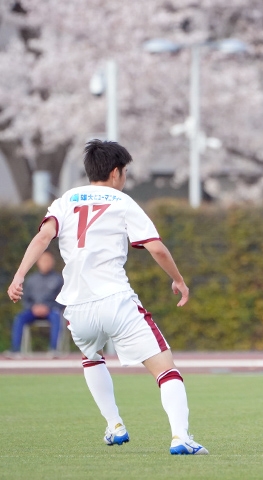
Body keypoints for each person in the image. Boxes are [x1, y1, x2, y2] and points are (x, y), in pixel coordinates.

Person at [6, 140, 208, 456]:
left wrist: (19, 275)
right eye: (125, 172)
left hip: (76, 307)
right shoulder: (122, 201)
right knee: (166, 370)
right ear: (116, 172)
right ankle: (181, 437)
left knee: (92, 357)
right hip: (115, 300)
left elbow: (43, 237)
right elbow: (155, 247)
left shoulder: (66, 199)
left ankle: (114, 425)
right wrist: (179, 280)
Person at [7, 250, 63, 356]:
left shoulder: (58, 280)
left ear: (52, 262)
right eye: (43, 260)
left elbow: (63, 300)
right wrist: (33, 308)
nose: (45, 263)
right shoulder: (31, 280)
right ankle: (15, 350)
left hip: (51, 311)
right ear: (38, 262)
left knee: (57, 317)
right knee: (19, 318)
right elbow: (25, 299)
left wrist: (48, 307)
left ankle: (54, 350)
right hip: (33, 311)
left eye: (48, 260)